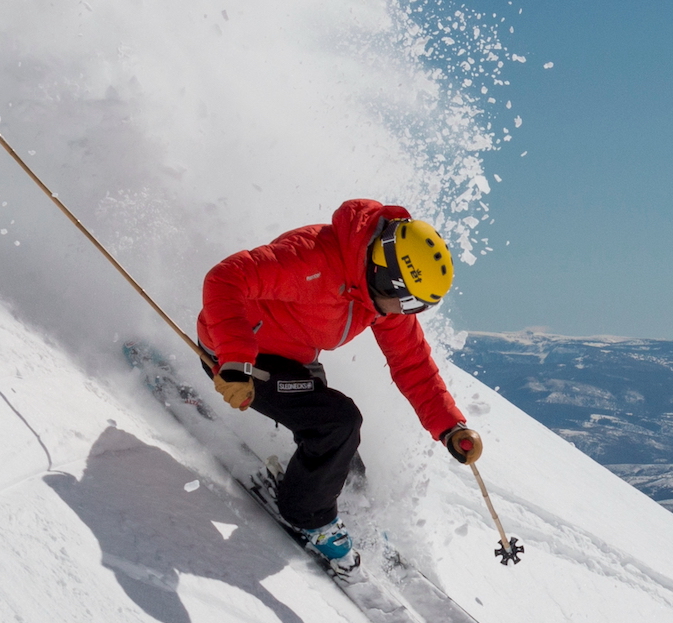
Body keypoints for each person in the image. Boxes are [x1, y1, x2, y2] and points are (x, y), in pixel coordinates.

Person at [196, 199, 483, 573]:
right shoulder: (314, 260)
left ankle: (344, 508)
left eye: (421, 307)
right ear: (387, 275)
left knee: (345, 458)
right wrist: (235, 360)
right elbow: (226, 278)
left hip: (291, 361)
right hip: (238, 357)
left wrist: (450, 427)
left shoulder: (377, 298)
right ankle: (308, 516)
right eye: (411, 303)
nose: (410, 313)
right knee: (338, 422)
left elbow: (412, 363)